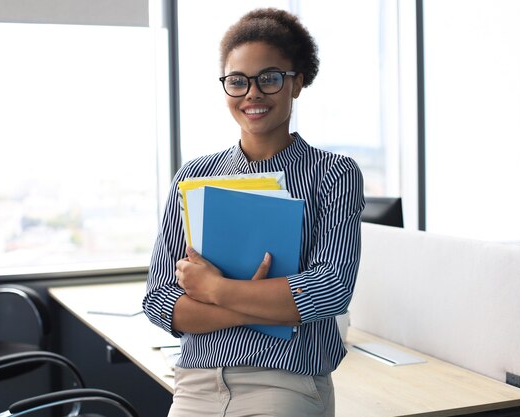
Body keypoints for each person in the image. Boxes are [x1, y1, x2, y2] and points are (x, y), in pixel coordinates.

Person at [143, 7, 365, 417]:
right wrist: (261, 302)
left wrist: (214, 290)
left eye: (269, 78)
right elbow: (159, 301)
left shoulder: (334, 174)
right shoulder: (195, 175)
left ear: (296, 82)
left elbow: (329, 289)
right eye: (237, 81)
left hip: (283, 384)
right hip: (194, 386)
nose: (252, 93)